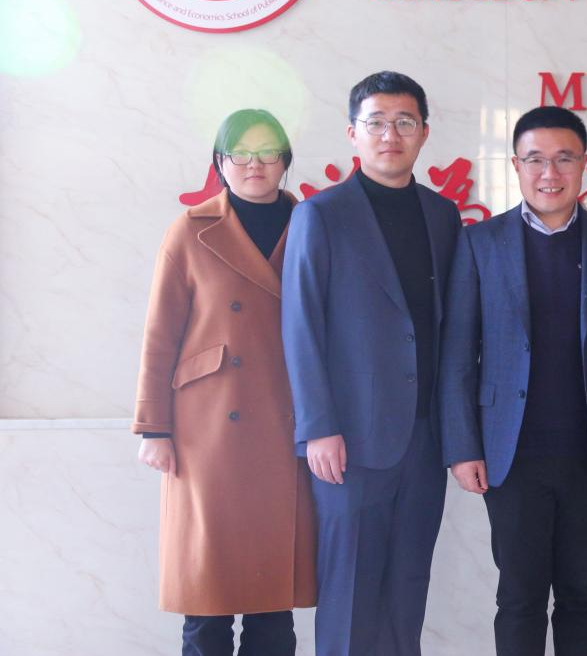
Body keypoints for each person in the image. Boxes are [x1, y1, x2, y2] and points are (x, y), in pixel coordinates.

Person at [438, 106, 587, 656]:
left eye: (564, 159)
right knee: (519, 597)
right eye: (534, 159)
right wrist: (462, 447)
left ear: (584, 165)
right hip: (511, 456)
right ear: (516, 165)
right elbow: (459, 355)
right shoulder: (480, 243)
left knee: (584, 595)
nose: (549, 173)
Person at [282, 71, 461, 656]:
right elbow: (301, 326)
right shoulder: (321, 214)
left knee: (408, 591)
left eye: (404, 122)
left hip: (426, 439)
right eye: (377, 122)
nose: (391, 135)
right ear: (352, 133)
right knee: (351, 594)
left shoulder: (442, 214)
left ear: (424, 132)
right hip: (349, 442)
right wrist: (318, 428)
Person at [133, 108, 316, 656]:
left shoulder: (313, 225)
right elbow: (160, 334)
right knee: (206, 601)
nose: (254, 164)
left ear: (285, 161)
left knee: (272, 605)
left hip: (287, 423)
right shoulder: (190, 230)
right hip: (207, 431)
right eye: (240, 153)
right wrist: (154, 429)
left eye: (267, 152)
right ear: (220, 162)